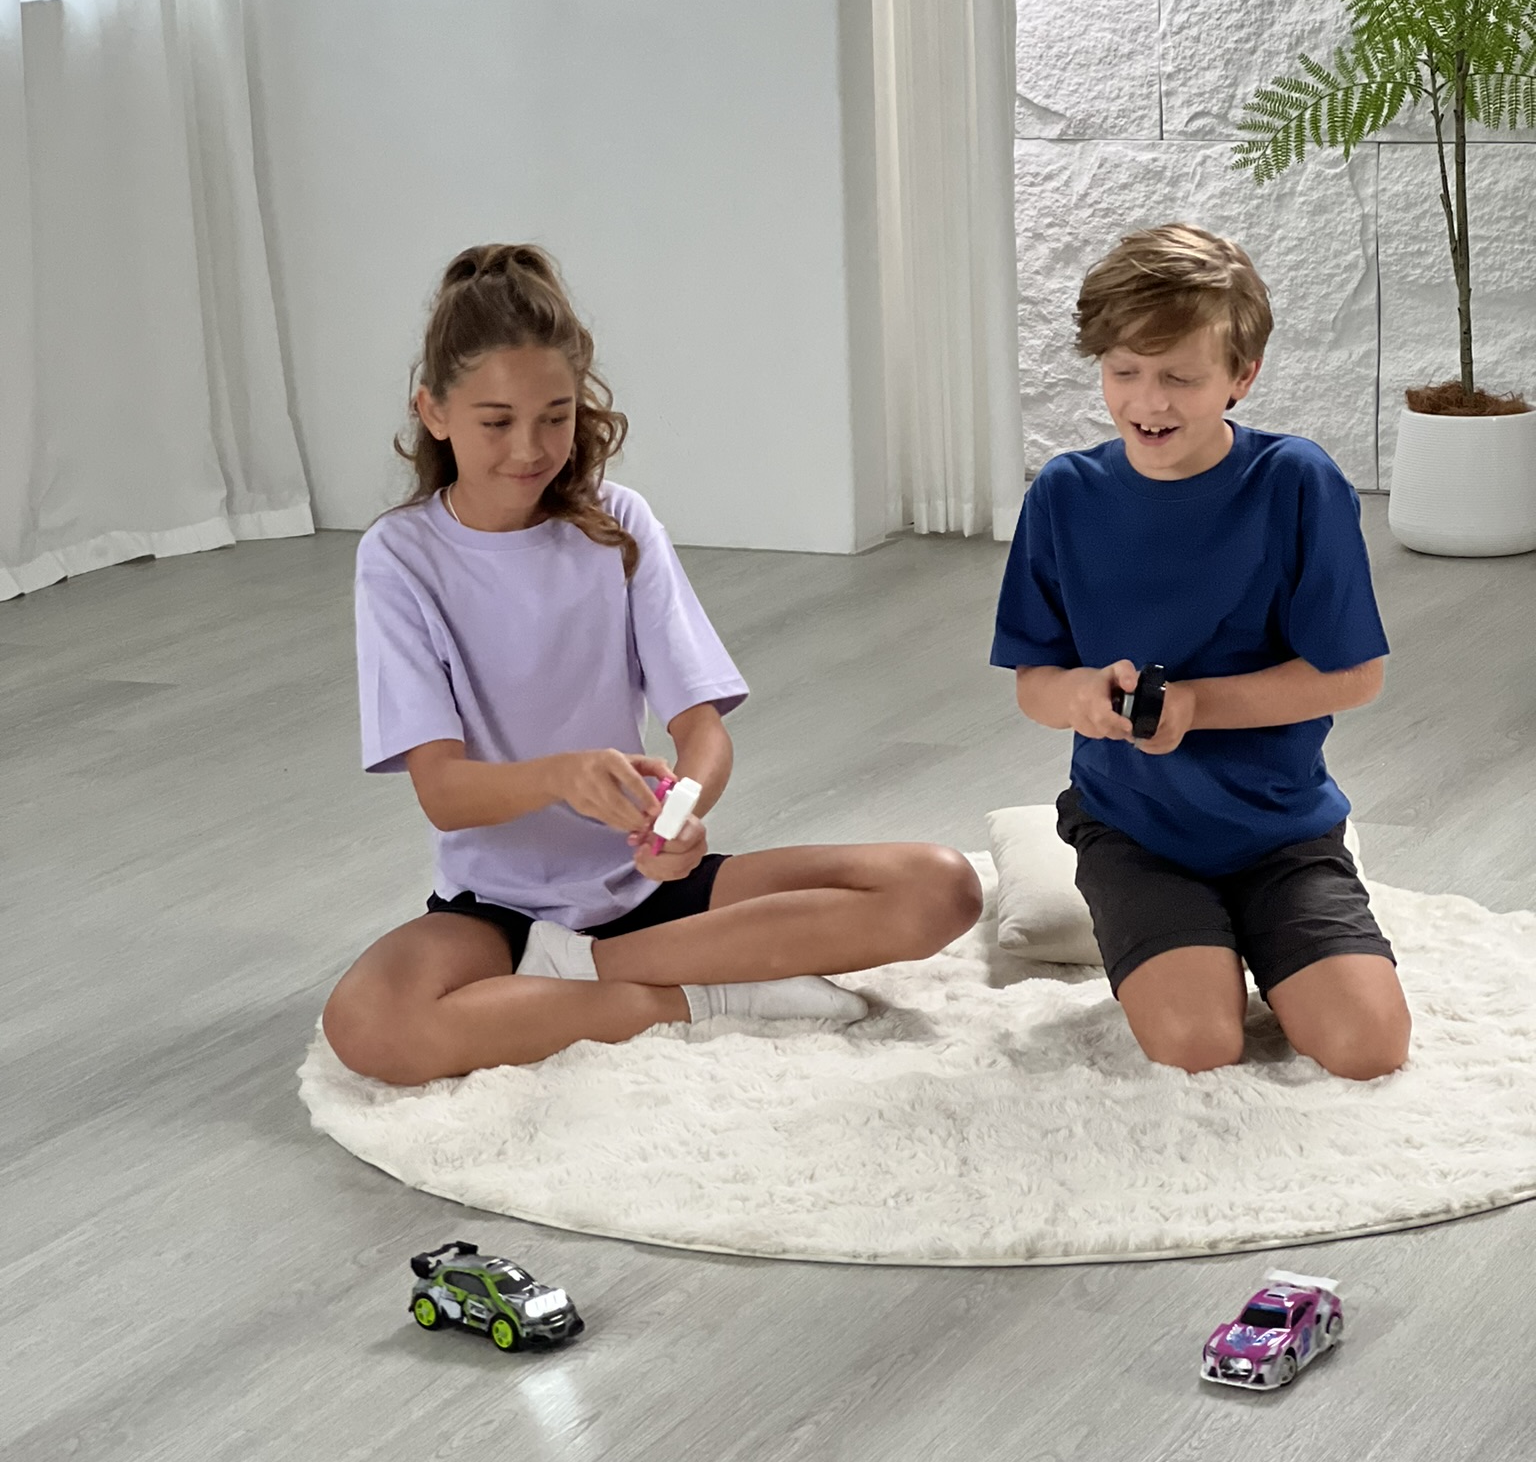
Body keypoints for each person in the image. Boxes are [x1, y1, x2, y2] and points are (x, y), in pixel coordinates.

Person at [323, 243, 981, 1083]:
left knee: (941, 887)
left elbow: (701, 731)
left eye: (555, 416)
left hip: (648, 887)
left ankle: (590, 974)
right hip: (497, 911)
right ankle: (705, 995)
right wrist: (564, 777)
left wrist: (678, 817)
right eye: (496, 421)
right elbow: (444, 793)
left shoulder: (619, 524)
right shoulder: (400, 556)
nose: (529, 447)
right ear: (435, 411)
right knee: (370, 1027)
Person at [993, 223, 1410, 1082]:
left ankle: (1265, 921)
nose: (1149, 401)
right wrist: (1078, 696)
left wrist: (1196, 706)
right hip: (1135, 827)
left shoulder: (1297, 482)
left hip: (1281, 827)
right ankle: (1125, 894)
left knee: (1368, 1048)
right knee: (1197, 1045)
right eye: (1124, 372)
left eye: (1180, 377)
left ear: (1240, 376)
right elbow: (1035, 682)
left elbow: (1356, 674)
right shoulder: (1065, 494)